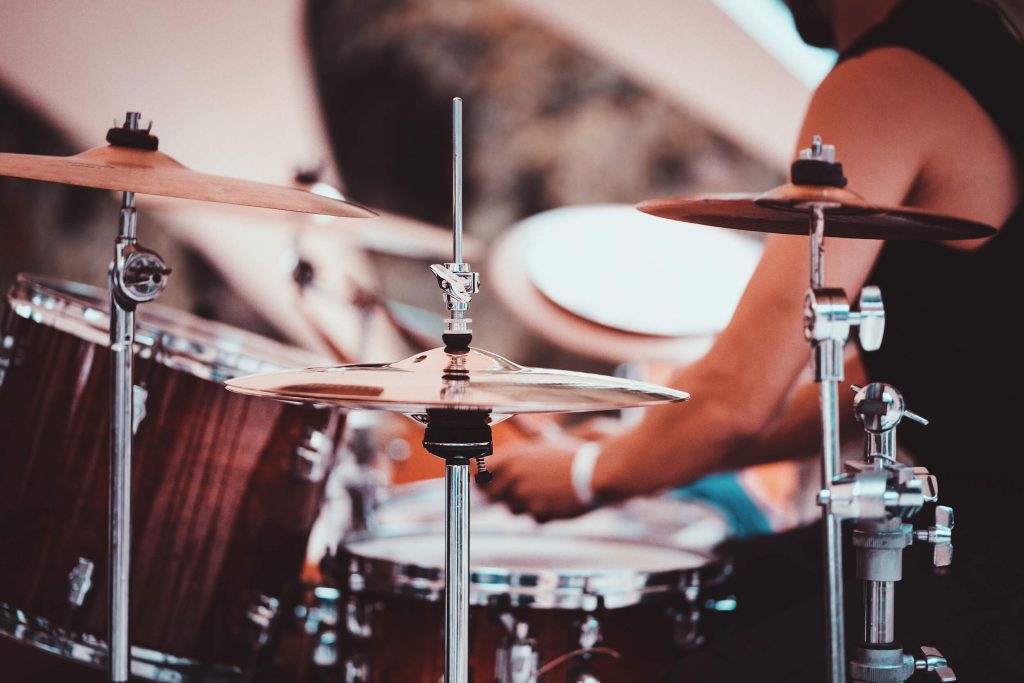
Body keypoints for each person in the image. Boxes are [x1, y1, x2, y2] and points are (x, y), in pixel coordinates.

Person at [486, 0, 1023, 679]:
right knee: (720, 587)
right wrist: (633, 447)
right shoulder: (987, 60)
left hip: (992, 564)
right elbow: (876, 388)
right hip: (974, 538)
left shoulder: (893, 75)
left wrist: (586, 476)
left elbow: (736, 399)